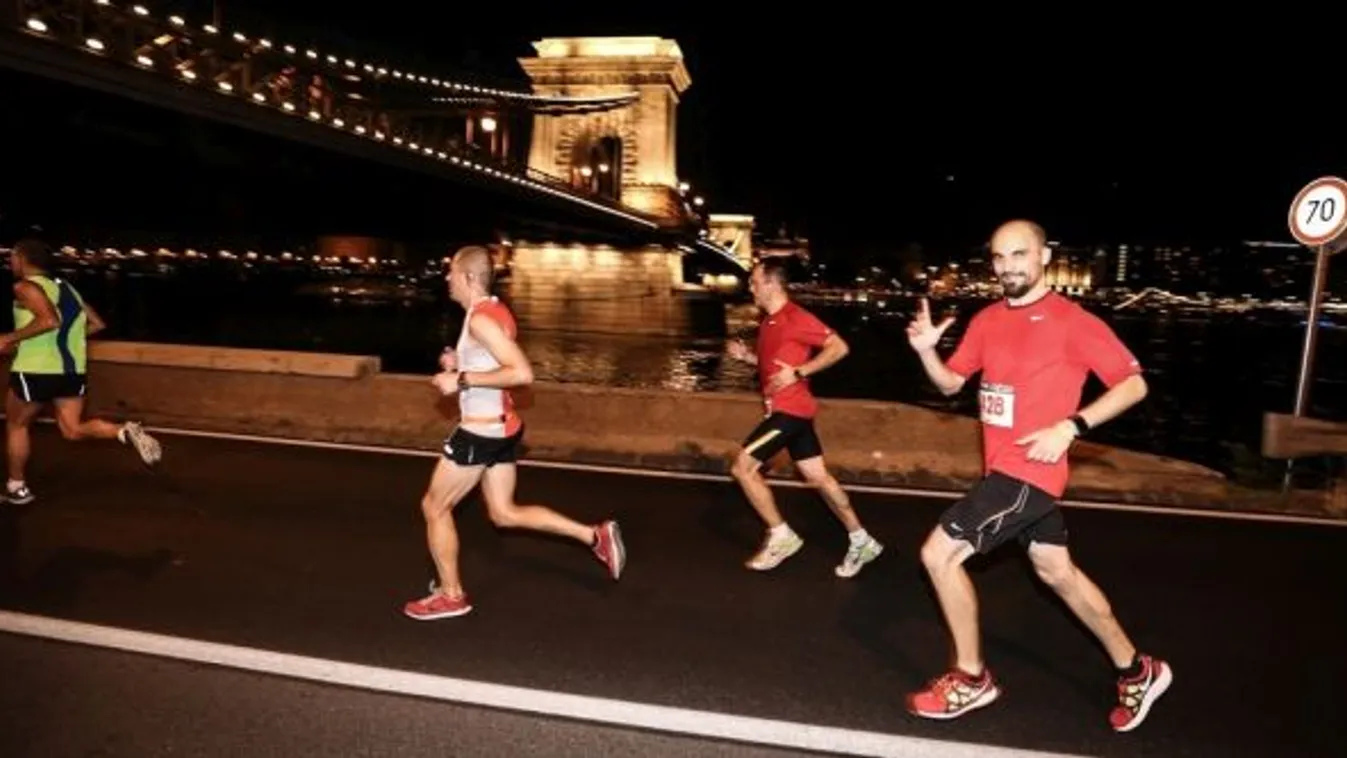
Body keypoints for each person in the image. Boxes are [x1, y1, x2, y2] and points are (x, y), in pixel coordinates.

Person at [903, 220, 1171, 732]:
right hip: (1005, 469)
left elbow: (1133, 385)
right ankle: (1139, 670)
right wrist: (926, 352)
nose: (1008, 267)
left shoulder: (1073, 322)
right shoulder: (985, 320)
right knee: (1057, 574)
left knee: (939, 554)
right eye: (999, 258)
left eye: (1019, 255)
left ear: (1044, 255)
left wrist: (1071, 427)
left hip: (1029, 471)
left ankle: (971, 678)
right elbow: (949, 384)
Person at [403, 245, 626, 620]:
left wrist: (459, 378)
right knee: (505, 513)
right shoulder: (492, 311)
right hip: (503, 429)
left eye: (452, 272)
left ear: (469, 278)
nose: (447, 278)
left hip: (480, 433)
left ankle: (452, 595)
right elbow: (496, 360)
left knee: (434, 506)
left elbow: (521, 374)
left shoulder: (479, 321)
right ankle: (595, 536)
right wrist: (462, 362)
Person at [726, 257, 883, 577]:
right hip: (793, 411)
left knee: (743, 468)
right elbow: (773, 367)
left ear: (772, 283)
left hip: (790, 410)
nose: (751, 287)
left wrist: (800, 372)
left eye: (755, 281)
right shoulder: (768, 323)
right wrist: (748, 358)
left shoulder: (795, 317)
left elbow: (839, 347)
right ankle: (861, 538)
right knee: (819, 478)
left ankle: (781, 535)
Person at [1, 238, 162, 504]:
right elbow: (97, 324)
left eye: (12, 258)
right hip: (72, 371)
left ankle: (17, 487)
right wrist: (61, 340)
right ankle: (123, 431)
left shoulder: (24, 286)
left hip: (35, 369)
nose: (11, 262)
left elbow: (49, 320)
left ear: (21, 259)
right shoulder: (69, 289)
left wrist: (9, 338)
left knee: (16, 425)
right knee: (73, 429)